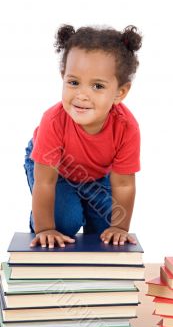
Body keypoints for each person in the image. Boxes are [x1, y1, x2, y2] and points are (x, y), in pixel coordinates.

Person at [24, 24, 143, 248]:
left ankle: (88, 207)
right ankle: (57, 215)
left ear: (120, 93)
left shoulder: (126, 128)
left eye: (97, 86)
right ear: (63, 77)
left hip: (96, 174)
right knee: (64, 222)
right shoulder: (53, 121)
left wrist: (120, 227)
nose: (82, 95)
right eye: (73, 82)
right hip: (55, 171)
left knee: (106, 228)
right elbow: (45, 182)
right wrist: (45, 229)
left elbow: (124, 185)